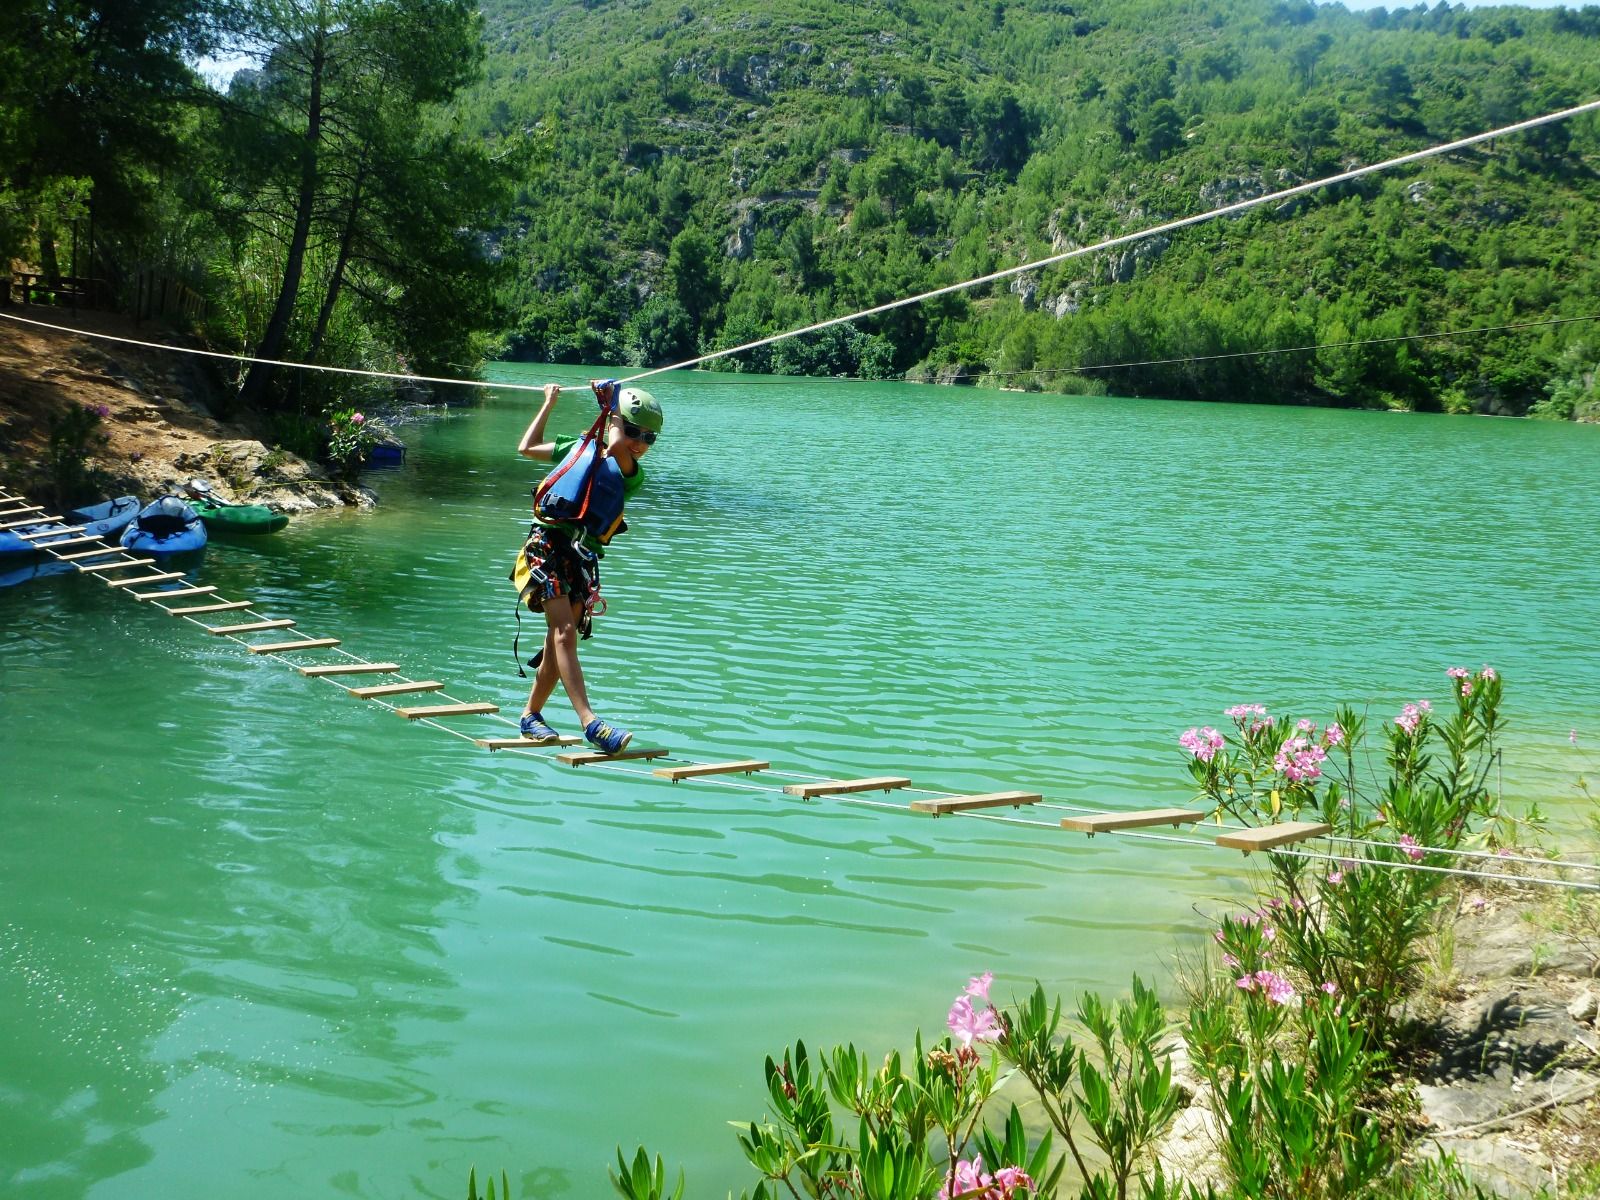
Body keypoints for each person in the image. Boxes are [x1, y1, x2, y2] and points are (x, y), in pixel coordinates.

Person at [511, 379, 663, 753]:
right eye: (634, 432)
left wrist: (613, 409)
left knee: (557, 640)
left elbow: (614, 447)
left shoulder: (632, 473)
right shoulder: (577, 446)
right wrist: (549, 402)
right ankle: (590, 722)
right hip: (546, 544)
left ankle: (531, 715)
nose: (640, 444)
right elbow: (526, 447)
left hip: (580, 557)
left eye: (650, 438)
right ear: (619, 423)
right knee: (563, 631)